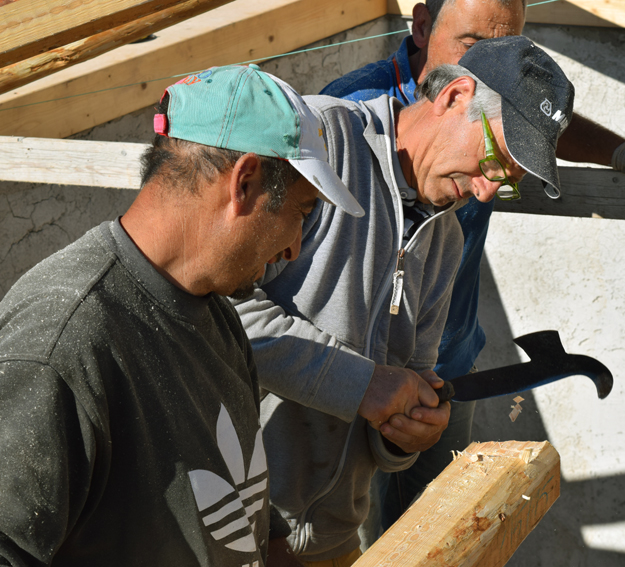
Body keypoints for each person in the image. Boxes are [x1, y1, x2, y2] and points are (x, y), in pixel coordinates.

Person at [320, 0, 625, 538]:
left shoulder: (457, 201)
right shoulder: (344, 126)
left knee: (436, 537)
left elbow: (520, 120)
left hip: (441, 367)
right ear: (421, 26)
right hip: (335, 380)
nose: (488, 188)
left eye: (506, 46)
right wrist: (359, 381)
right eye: (470, 44)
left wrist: (621, 151)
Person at [0, 64, 362, 567]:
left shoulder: (219, 316)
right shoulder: (60, 343)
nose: (293, 248)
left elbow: (248, 510)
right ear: (245, 182)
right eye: (301, 213)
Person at [233, 36, 573, 567]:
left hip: (331, 542)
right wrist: (362, 383)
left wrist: (407, 436)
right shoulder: (322, 142)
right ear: (455, 96)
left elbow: (403, 391)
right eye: (493, 161)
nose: (487, 191)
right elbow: (221, 312)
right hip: (231, 525)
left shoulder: (446, 241)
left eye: (507, 183)